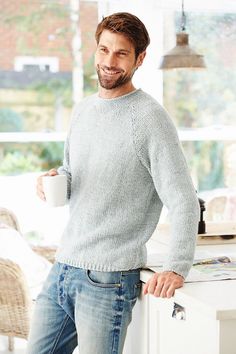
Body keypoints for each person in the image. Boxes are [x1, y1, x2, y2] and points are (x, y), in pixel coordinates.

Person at [27, 12, 199, 354]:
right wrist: (56, 179)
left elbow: (183, 200)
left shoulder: (150, 118)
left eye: (121, 53)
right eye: (104, 50)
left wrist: (177, 266)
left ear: (140, 59)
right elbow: (74, 171)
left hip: (107, 281)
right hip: (63, 266)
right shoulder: (83, 110)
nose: (109, 61)